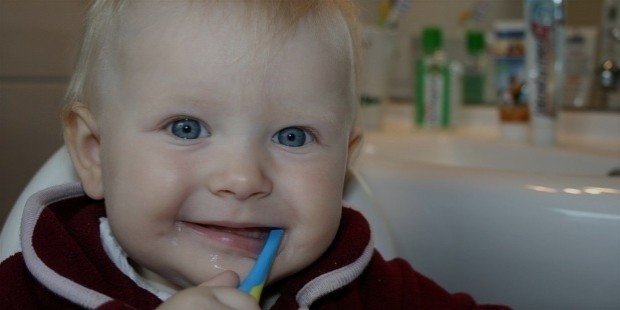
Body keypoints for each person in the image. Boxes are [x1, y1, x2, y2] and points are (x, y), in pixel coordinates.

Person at [0, 1, 510, 309]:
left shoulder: (364, 290)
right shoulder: (31, 293)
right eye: (186, 127)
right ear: (93, 154)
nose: (243, 179)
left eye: (292, 137)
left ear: (345, 163)